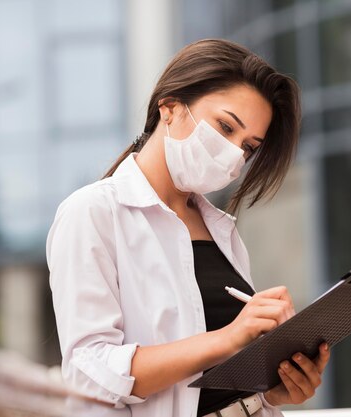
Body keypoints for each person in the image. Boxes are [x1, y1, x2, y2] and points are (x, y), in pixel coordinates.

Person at [47, 38, 330, 417]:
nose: (235, 154)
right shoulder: (93, 213)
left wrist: (278, 389)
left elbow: (218, 380)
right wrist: (227, 338)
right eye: (226, 127)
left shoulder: (222, 230)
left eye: (248, 147)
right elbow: (91, 374)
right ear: (170, 107)